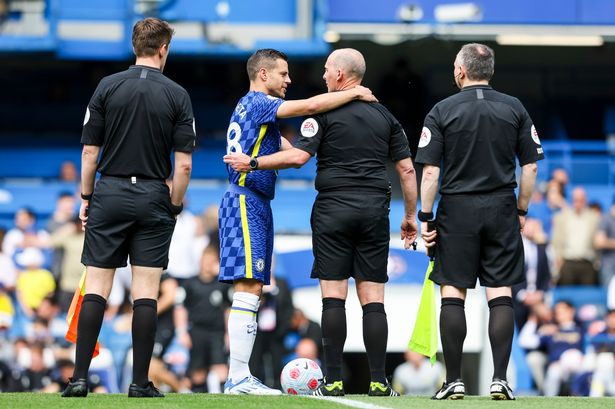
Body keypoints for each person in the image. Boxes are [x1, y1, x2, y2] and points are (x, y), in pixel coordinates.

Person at [224, 48, 418, 397]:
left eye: (327, 71)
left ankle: (333, 380)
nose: (322, 76)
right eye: (284, 74)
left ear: (341, 75)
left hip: (331, 210)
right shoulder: (386, 116)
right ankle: (378, 380)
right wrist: (409, 216)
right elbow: (406, 168)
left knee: (333, 298)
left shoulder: (323, 114)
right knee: (373, 298)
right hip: (375, 209)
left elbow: (297, 154)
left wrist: (252, 163)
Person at [62, 17, 195, 398]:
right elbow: (183, 164)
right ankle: (139, 383)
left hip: (111, 191)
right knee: (146, 294)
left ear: (135, 44)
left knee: (97, 289)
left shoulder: (106, 87)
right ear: (163, 48)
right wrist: (172, 204)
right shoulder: (177, 94)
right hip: (153, 194)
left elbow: (89, 152)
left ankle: (79, 378)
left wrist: (87, 198)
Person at [416, 43, 544, 400]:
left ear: (460, 71)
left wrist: (426, 218)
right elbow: (530, 166)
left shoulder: (442, 110)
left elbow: (430, 173)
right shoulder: (515, 107)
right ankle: (499, 379)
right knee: (500, 293)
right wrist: (521, 211)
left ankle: (454, 380)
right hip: (502, 205)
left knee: (453, 294)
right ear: (490, 72)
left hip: (457, 209)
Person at [552, 187, 600, 285]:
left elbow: (597, 241)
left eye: (581, 200)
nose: (578, 203)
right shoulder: (562, 217)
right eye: (576, 200)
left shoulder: (594, 218)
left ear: (585, 200)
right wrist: (558, 258)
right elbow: (556, 240)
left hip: (587, 262)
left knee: (587, 296)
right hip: (567, 262)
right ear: (572, 200)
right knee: (566, 294)